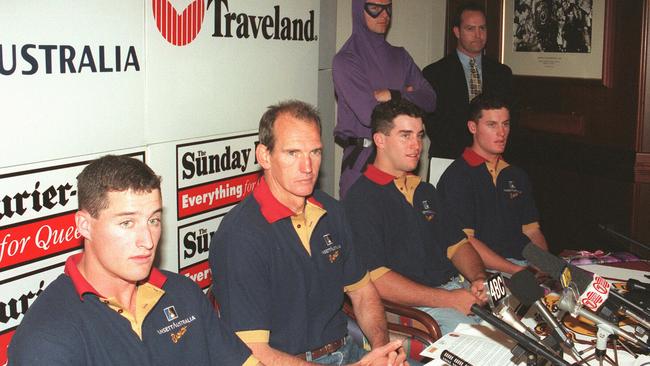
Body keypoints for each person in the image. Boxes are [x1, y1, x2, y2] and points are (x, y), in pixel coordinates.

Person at [8, 155, 258, 365]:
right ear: (85, 226)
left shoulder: (183, 293)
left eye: (153, 220)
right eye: (127, 223)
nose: (147, 241)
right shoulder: (48, 336)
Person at [209, 100, 407, 366]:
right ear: (264, 156)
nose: (307, 167)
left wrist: (383, 352)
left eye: (315, 152)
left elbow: (363, 293)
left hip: (347, 350)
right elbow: (254, 353)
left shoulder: (331, 211)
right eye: (292, 153)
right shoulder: (240, 236)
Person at [342, 99, 505, 336]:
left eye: (419, 136)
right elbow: (377, 280)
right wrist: (448, 299)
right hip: (416, 306)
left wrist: (478, 278)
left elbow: (457, 246)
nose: (416, 145)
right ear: (380, 140)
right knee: (486, 345)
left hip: (456, 289)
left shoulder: (425, 190)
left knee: (524, 329)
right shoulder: (361, 198)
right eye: (405, 136)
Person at [333, 0, 436, 198]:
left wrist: (393, 94)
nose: (384, 15)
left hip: (401, 161)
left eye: (388, 7)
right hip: (362, 164)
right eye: (374, 8)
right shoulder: (346, 59)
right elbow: (371, 116)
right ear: (358, 10)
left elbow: (430, 100)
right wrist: (409, 96)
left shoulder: (400, 56)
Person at [437, 94, 548, 267]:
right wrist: (516, 271)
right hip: (481, 270)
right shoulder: (457, 177)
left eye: (505, 124)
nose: (501, 133)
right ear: (473, 127)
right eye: (491, 125)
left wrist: (544, 266)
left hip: (523, 264)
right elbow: (466, 243)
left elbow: (532, 231)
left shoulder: (516, 174)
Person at [422, 2, 513, 159]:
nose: (478, 35)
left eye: (482, 28)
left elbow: (510, 119)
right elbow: (434, 124)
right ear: (457, 31)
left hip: (493, 160)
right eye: (470, 29)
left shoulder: (502, 73)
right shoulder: (435, 73)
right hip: (449, 158)